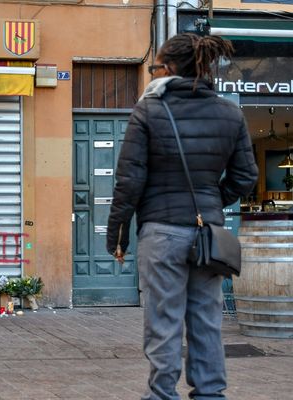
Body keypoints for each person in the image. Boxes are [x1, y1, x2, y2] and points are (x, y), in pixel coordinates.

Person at [106, 33, 258, 400]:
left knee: (163, 320)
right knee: (207, 319)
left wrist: (118, 234)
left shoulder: (149, 110)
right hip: (209, 237)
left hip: (160, 233)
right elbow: (246, 177)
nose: (153, 72)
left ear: (169, 68)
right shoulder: (230, 112)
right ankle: (209, 394)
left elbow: (129, 181)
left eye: (155, 66)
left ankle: (162, 394)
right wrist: (211, 203)